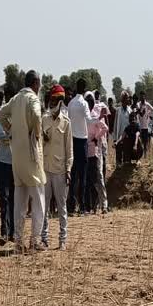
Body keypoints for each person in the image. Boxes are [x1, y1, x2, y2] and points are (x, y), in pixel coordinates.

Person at [0, 70, 46, 252]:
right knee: (39, 200)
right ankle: (35, 240)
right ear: (35, 83)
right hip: (32, 156)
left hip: (16, 156)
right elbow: (35, 114)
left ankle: (18, 242)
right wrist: (35, 132)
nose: (40, 87)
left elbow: (0, 114)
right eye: (39, 83)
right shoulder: (32, 98)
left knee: (19, 200)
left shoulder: (16, 98)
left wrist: (12, 131)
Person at [41, 85, 73, 250]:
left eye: (56, 100)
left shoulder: (66, 122)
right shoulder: (44, 119)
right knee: (44, 207)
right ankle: (44, 239)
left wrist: (68, 170)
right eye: (51, 99)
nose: (52, 102)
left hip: (61, 171)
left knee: (62, 207)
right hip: (45, 170)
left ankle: (62, 240)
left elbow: (70, 149)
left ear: (61, 102)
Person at [67, 78, 92, 215]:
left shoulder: (71, 103)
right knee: (83, 176)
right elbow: (88, 119)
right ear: (84, 89)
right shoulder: (84, 103)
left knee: (73, 174)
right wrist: (98, 119)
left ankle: (71, 206)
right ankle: (82, 207)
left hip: (72, 141)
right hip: (82, 141)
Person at [0, 89, 15, 244]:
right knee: (4, 197)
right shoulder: (0, 114)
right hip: (3, 161)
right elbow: (2, 136)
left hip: (15, 161)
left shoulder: (17, 115)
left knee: (15, 198)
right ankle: (4, 231)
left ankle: (13, 232)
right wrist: (13, 135)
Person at [85, 93, 108, 214]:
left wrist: (96, 138)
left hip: (96, 152)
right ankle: (90, 207)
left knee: (99, 177)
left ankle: (104, 205)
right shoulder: (84, 117)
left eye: (89, 103)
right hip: (86, 152)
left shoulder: (95, 117)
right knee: (88, 179)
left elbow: (105, 128)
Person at [112, 91, 132, 165]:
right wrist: (114, 138)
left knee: (126, 156)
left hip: (127, 137)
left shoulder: (130, 111)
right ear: (123, 100)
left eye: (128, 98)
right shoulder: (118, 111)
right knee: (119, 156)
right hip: (119, 136)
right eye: (126, 98)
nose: (128, 100)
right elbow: (115, 125)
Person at [137, 92, 153, 156]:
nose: (142, 98)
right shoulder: (138, 104)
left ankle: (145, 155)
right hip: (139, 126)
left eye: (143, 96)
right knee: (140, 141)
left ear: (145, 96)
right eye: (141, 96)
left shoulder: (147, 104)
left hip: (146, 126)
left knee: (145, 142)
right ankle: (140, 155)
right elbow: (139, 112)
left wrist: (148, 115)